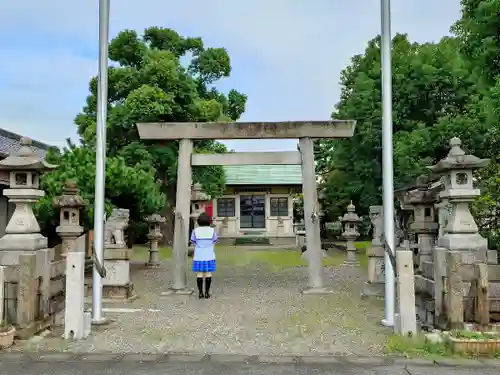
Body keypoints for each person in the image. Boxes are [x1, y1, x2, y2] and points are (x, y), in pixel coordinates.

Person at [190, 212, 217, 299]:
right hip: (209, 255)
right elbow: (214, 242)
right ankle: (207, 293)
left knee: (199, 274)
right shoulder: (212, 231)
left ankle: (200, 293)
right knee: (208, 273)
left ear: (198, 221)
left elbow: (193, 242)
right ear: (209, 221)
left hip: (199, 255)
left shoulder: (195, 231)